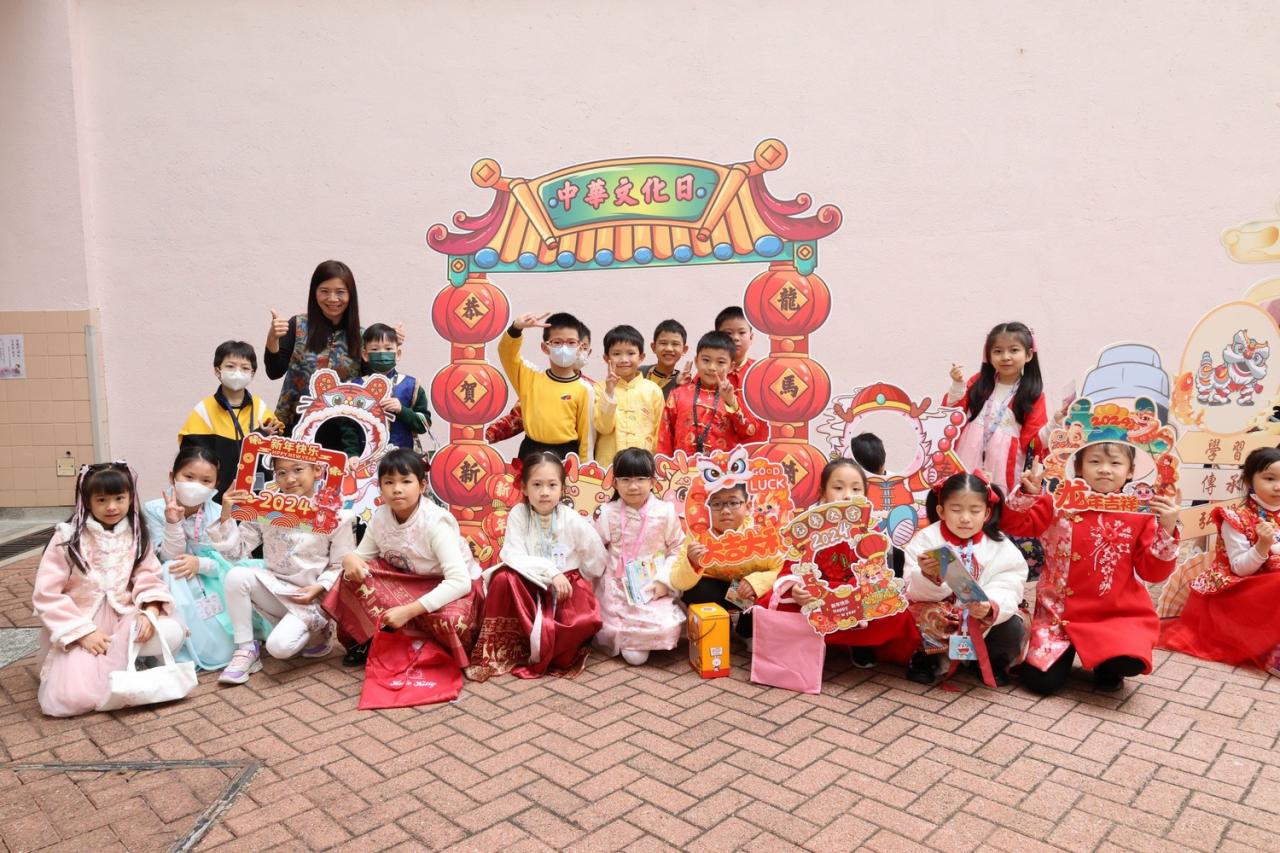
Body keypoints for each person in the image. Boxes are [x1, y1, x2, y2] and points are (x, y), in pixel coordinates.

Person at [1003, 444, 1181, 694]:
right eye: (1095, 461)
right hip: (1057, 614)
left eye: (1115, 463)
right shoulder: (1057, 502)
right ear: (1078, 466)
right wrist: (1028, 494)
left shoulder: (1140, 512)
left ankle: (1108, 666)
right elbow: (1015, 525)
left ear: (1130, 471)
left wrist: (1168, 527)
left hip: (1114, 614)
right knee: (1040, 683)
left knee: (1128, 661)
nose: (1105, 470)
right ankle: (1065, 652)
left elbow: (1153, 572)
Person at [32, 462, 185, 717]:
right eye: (102, 500)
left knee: (170, 632)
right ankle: (106, 669)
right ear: (87, 501)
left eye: (119, 498)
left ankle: (132, 663)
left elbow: (148, 574)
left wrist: (150, 610)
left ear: (130, 498)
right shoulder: (67, 537)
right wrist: (82, 633)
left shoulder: (137, 534)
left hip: (125, 615)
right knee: (73, 697)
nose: (112, 507)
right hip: (82, 620)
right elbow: (46, 594)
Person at [758, 459, 921, 669]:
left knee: (895, 612)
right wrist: (797, 588)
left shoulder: (869, 530)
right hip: (815, 597)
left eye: (856, 489)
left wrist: (855, 595)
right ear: (823, 493)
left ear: (865, 495)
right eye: (838, 488)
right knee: (772, 602)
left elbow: (874, 569)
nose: (847, 495)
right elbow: (791, 566)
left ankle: (859, 642)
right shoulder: (806, 527)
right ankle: (815, 640)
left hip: (855, 598)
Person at [209, 455, 356, 684]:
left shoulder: (335, 514)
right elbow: (236, 553)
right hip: (275, 588)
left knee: (279, 648)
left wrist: (320, 588)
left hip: (311, 597)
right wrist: (226, 514)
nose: (290, 479)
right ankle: (246, 649)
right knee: (236, 576)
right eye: (281, 473)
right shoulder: (266, 509)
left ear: (317, 470)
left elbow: (340, 564)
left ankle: (318, 632)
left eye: (298, 469)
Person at [332, 449, 483, 669]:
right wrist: (349, 560)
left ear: (422, 486)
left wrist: (408, 611)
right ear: (380, 487)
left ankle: (429, 649)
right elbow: (360, 557)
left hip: (449, 586)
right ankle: (365, 641)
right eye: (389, 482)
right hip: (408, 582)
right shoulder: (381, 517)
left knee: (451, 621)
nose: (397, 489)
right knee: (350, 577)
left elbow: (460, 582)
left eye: (406, 481)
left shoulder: (436, 522)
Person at [465, 452, 606, 681]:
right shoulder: (519, 514)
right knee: (503, 578)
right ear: (524, 487)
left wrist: (580, 578)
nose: (544, 492)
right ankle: (511, 647)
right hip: (528, 583)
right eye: (537, 485)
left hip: (563, 586)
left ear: (562, 488)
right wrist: (551, 572)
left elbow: (595, 555)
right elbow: (512, 554)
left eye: (552, 485)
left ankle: (555, 646)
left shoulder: (571, 518)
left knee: (581, 621)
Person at [1159, 446, 1280, 676]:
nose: (1278, 486)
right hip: (1233, 592)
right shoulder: (1235, 518)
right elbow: (1240, 569)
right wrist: (1262, 546)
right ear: (1249, 480)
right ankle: (1274, 654)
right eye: (1269, 478)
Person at [903, 473, 1029, 686]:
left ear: (986, 513)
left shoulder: (999, 545)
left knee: (1013, 625)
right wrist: (928, 576)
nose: (965, 518)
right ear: (941, 511)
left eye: (975, 510)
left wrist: (989, 606)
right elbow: (910, 588)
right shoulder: (926, 539)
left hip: (979, 617)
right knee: (917, 613)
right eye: (956, 509)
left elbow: (1009, 583)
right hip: (942, 616)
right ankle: (927, 659)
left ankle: (992, 662)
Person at [142, 446, 239, 668]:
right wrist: (173, 522)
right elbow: (167, 556)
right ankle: (179, 648)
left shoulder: (218, 512)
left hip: (211, 581)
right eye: (189, 477)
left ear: (215, 485)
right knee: (171, 568)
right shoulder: (154, 510)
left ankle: (214, 646)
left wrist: (201, 564)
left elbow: (232, 560)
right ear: (172, 477)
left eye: (206, 481)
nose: (196, 485)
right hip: (173, 581)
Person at [592, 448, 686, 664]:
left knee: (667, 628)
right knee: (634, 657)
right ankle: (634, 643)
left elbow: (678, 549)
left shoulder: (665, 512)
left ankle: (642, 641)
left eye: (640, 479)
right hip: (617, 589)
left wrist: (664, 581)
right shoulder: (608, 512)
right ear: (615, 483)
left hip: (652, 586)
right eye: (625, 479)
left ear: (652, 482)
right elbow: (594, 549)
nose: (633, 486)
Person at [943, 322, 1049, 499]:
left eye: (1014, 350)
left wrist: (1055, 424)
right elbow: (952, 415)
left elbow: (1034, 441)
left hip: (1005, 465)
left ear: (1029, 354)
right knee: (962, 500)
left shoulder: (1033, 394)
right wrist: (958, 385)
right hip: (966, 455)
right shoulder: (978, 382)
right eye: (998, 351)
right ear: (988, 355)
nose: (1005, 357)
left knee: (999, 504)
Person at [669, 483, 783, 641]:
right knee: (697, 589)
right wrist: (692, 563)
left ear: (747, 507)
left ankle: (748, 632)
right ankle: (719, 629)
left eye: (733, 502)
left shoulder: (761, 534)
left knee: (773, 594)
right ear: (708, 508)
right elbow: (677, 580)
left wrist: (756, 583)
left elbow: (784, 569)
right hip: (718, 591)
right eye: (717, 504)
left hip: (748, 595)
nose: (725, 511)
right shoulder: (699, 536)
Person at [265, 260, 364, 433]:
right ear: (314, 292)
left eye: (340, 292)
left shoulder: (362, 336)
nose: (332, 299)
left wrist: (389, 345)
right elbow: (274, 372)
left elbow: (374, 381)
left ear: (351, 295)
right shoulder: (298, 325)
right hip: (294, 426)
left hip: (344, 432)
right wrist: (272, 339)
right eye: (324, 291)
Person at [178, 340, 282, 500]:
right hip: (216, 499)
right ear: (217, 370)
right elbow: (191, 459)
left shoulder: (261, 408)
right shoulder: (203, 410)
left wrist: (262, 436)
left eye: (245, 368)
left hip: (256, 497)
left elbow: (278, 455)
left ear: (252, 373)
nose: (237, 372)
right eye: (230, 366)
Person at [498, 311, 593, 459]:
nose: (564, 348)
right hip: (531, 452)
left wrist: (584, 468)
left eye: (571, 343)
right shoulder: (529, 378)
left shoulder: (585, 389)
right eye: (557, 342)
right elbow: (507, 354)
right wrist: (516, 328)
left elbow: (587, 438)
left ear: (580, 348)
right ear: (545, 347)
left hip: (566, 455)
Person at [656, 332, 763, 456]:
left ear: (731, 367)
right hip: (683, 466)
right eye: (706, 360)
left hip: (721, 466)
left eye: (720, 362)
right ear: (696, 361)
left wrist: (732, 403)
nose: (712, 367)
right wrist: (664, 464)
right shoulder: (678, 394)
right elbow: (664, 437)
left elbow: (749, 431)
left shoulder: (734, 397)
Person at [594, 325, 665, 466]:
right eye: (616, 354)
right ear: (606, 358)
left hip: (644, 466)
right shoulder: (599, 389)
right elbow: (603, 427)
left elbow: (660, 433)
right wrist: (609, 393)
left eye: (631, 353)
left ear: (641, 357)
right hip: (608, 465)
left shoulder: (653, 390)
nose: (624, 359)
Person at [357, 323, 432, 451]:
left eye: (388, 348)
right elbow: (348, 427)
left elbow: (425, 425)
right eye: (375, 349)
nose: (382, 353)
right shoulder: (356, 386)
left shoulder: (412, 385)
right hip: (365, 457)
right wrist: (352, 454)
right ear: (365, 355)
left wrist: (402, 410)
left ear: (398, 354)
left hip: (403, 457)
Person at [849, 432, 908, 577]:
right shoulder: (852, 486)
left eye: (876, 473)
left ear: (882, 462)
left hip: (894, 550)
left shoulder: (897, 482)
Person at [639, 319, 689, 400]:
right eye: (663, 343)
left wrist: (680, 385)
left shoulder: (683, 381)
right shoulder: (639, 372)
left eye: (675, 344)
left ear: (684, 349)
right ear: (653, 347)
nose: (669, 348)